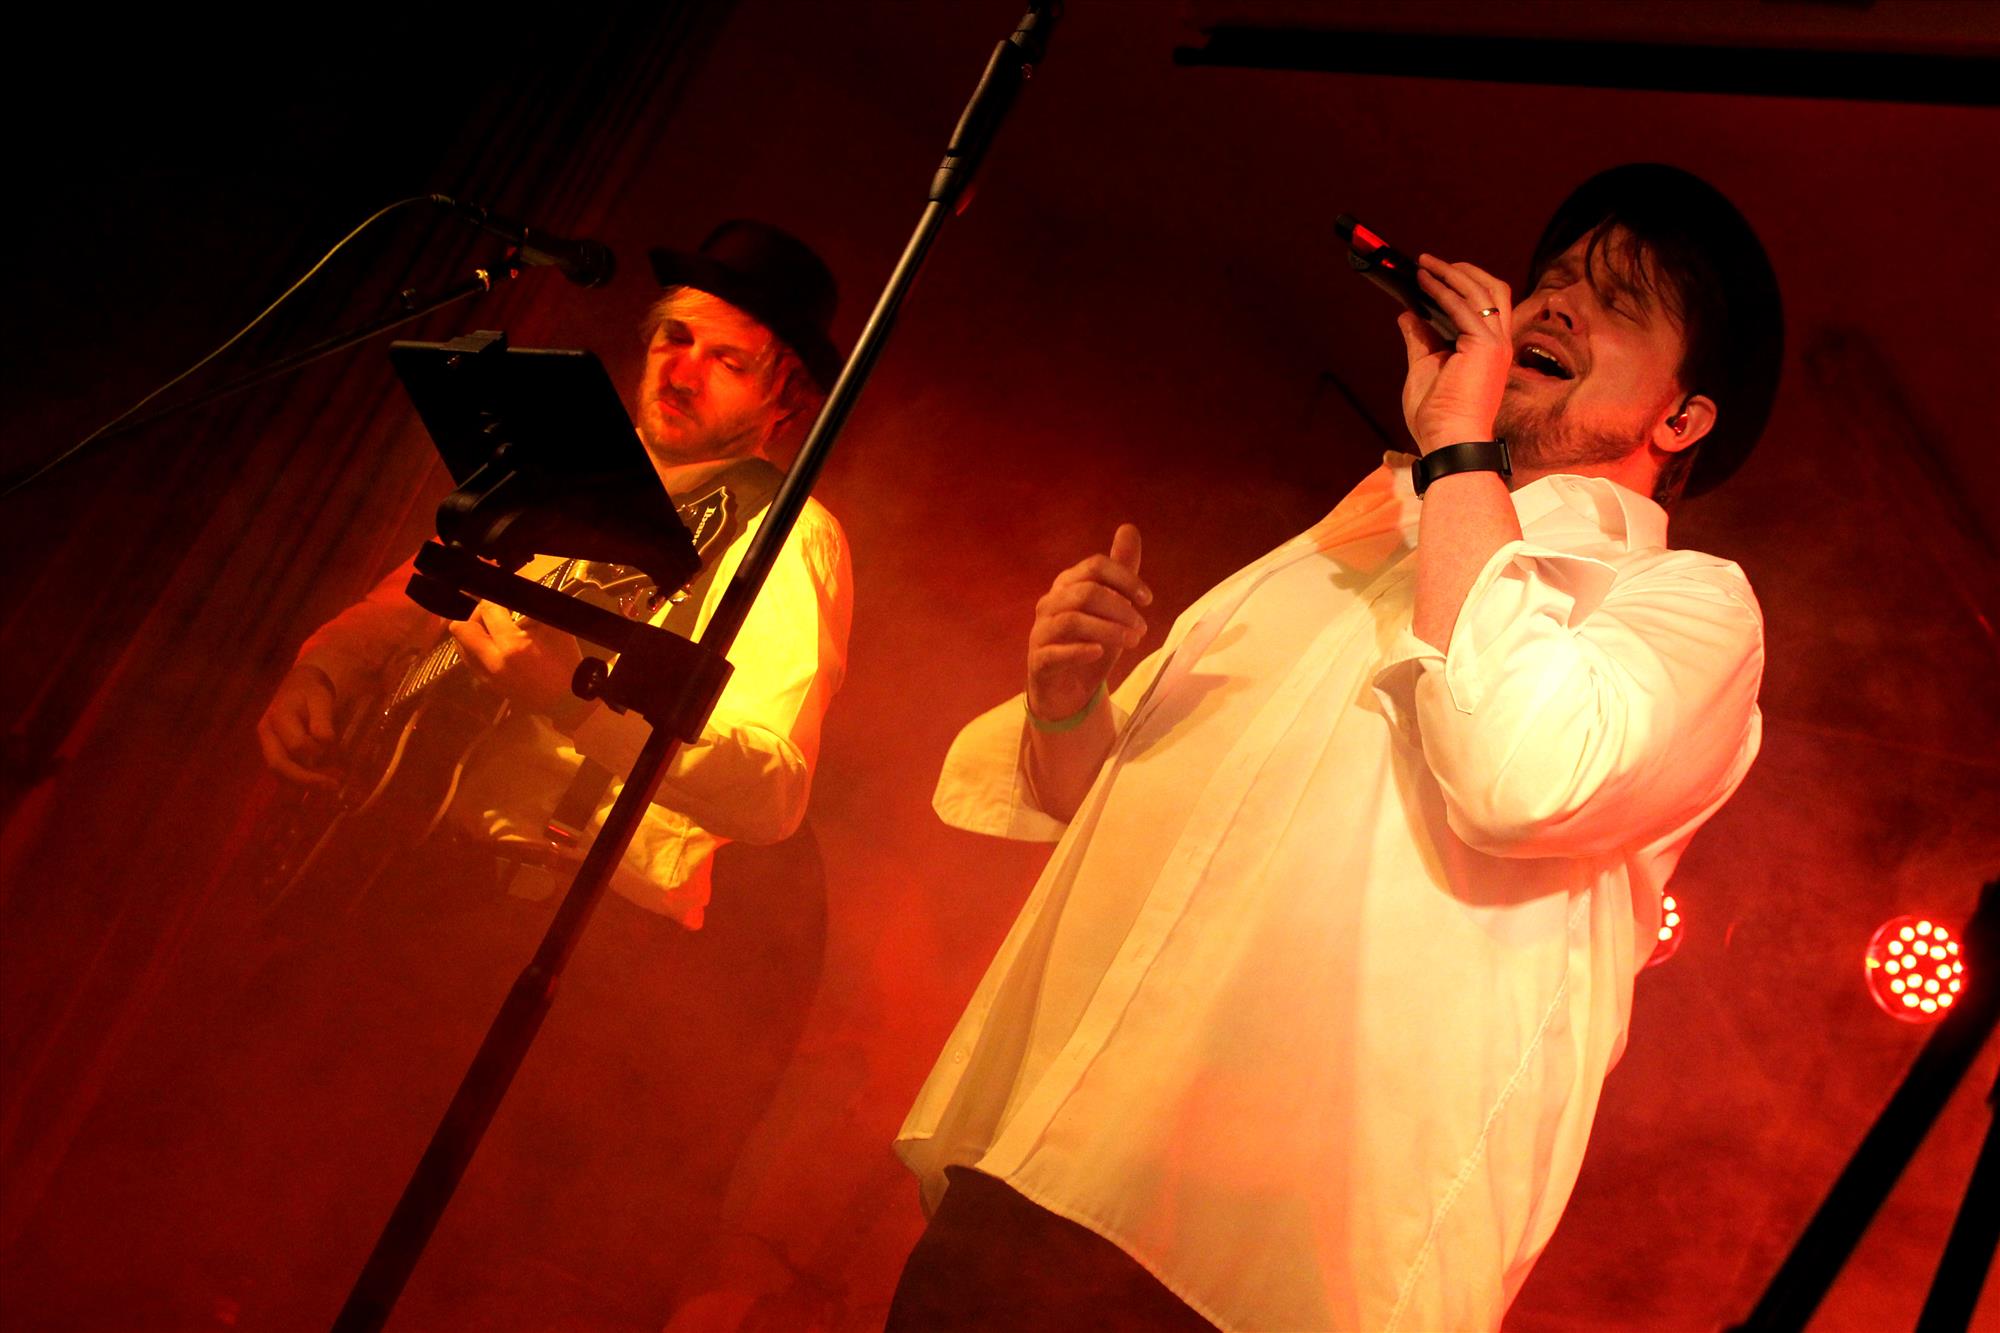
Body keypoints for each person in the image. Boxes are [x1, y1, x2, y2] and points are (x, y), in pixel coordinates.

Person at [889, 163, 1783, 1332]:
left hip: (1280, 1267)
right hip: (1047, 1168)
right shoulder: (1361, 531)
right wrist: (1065, 705)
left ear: (1680, 418)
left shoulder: (1681, 604)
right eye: (1553, 278)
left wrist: (1456, 447)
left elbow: (1518, 777)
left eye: (1615, 302)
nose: (1554, 306)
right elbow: (1102, 818)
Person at [242, 219, 854, 1327]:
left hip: (569, 945)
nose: (681, 368)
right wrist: (321, 665)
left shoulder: (784, 534)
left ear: (788, 402)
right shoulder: (570, 471)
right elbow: (418, 597)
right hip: (413, 895)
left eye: (725, 357)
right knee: (283, 1214)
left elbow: (771, 789)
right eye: (672, 338)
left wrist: (572, 696)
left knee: (454, 1272)